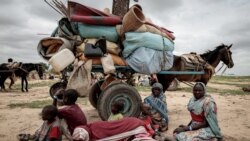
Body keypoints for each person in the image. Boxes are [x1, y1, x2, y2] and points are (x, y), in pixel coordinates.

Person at [72, 117, 155, 141]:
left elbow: (111, 129)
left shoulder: (94, 128)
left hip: (132, 125)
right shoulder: (91, 128)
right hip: (132, 123)